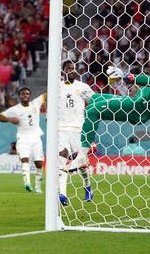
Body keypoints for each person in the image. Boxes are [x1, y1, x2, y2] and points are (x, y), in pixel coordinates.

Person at [68, 0, 150, 172]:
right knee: (94, 99)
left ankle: (82, 156)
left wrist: (128, 76)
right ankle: (86, 146)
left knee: (93, 110)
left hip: (139, 108)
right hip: (137, 101)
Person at [57, 60, 94, 206]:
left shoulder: (82, 87)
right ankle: (62, 194)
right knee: (61, 160)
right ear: (63, 70)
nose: (72, 70)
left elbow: (94, 101)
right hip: (61, 129)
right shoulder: (57, 87)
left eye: (73, 68)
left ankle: (87, 186)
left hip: (78, 129)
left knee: (81, 163)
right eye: (69, 68)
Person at [0, 87, 44, 193]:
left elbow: (46, 95)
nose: (25, 95)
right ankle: (27, 183)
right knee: (24, 159)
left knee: (39, 163)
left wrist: (59, 82)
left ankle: (38, 186)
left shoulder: (36, 103)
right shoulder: (15, 109)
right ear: (20, 96)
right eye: (23, 94)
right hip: (23, 138)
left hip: (36, 137)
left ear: (30, 96)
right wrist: (10, 119)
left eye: (27, 93)